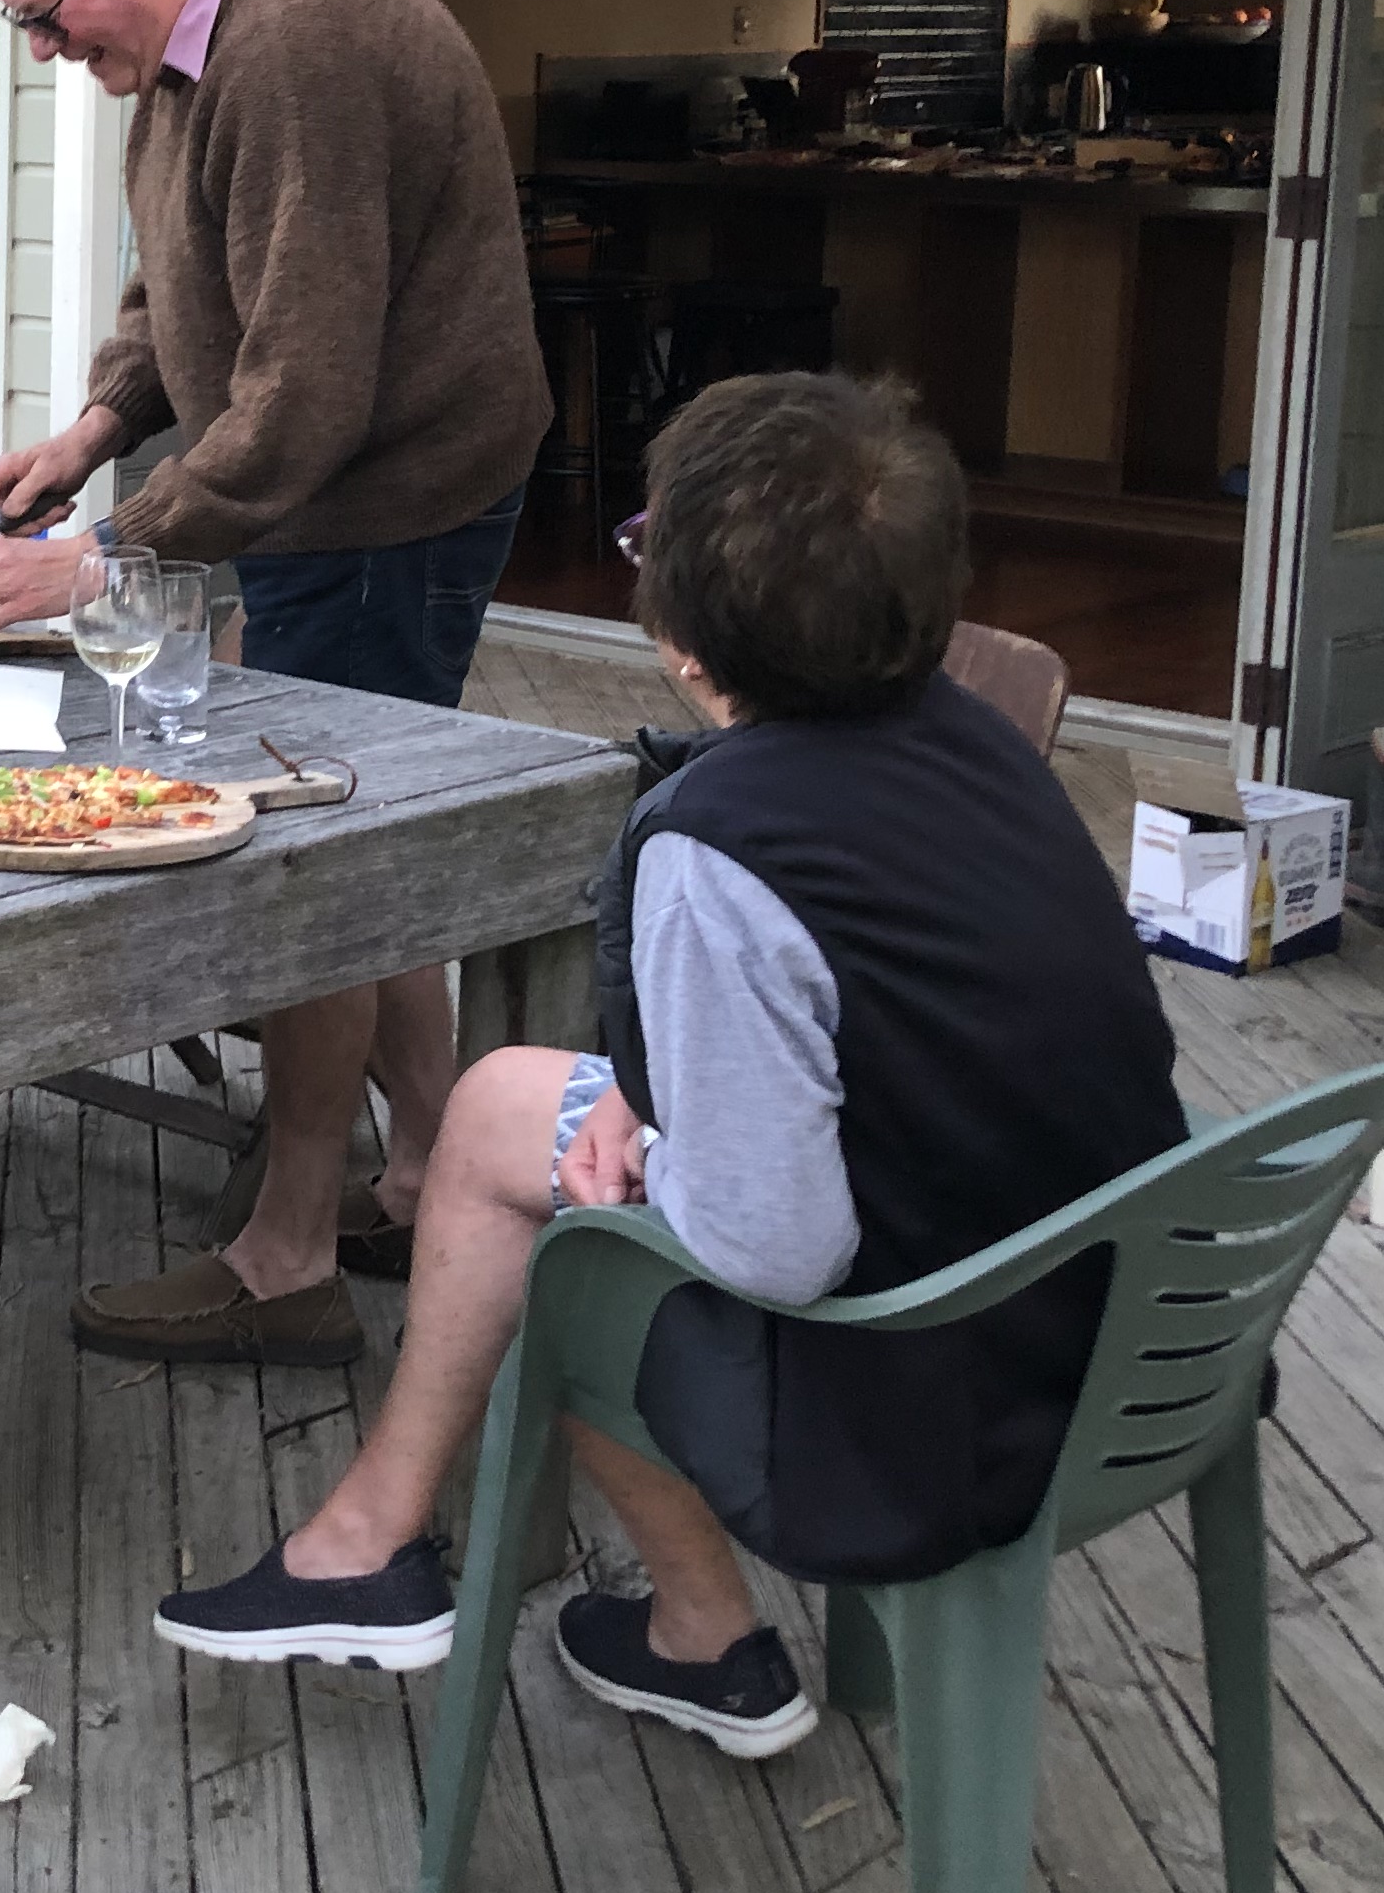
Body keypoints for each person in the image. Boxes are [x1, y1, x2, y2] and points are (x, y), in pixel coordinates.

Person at [152, 375, 1187, 1750]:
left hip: (939, 1399)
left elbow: (776, 1251)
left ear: (687, 645)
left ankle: (636, 1611)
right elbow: (880, 1007)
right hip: (1124, 1319)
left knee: (571, 1251)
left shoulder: (722, 853)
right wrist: (645, 1102)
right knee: (501, 1103)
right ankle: (381, 1544)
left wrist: (644, 1165)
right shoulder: (975, 748)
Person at [0, 0, 548, 1367]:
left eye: (44, 15)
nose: (42, 48)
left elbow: (303, 393)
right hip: (324, 498)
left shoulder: (299, 44)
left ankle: (289, 1261)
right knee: (364, 842)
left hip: (387, 506)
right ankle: (426, 1176)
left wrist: (99, 558)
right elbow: (184, 285)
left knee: (314, 867)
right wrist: (91, 434)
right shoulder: (192, 51)